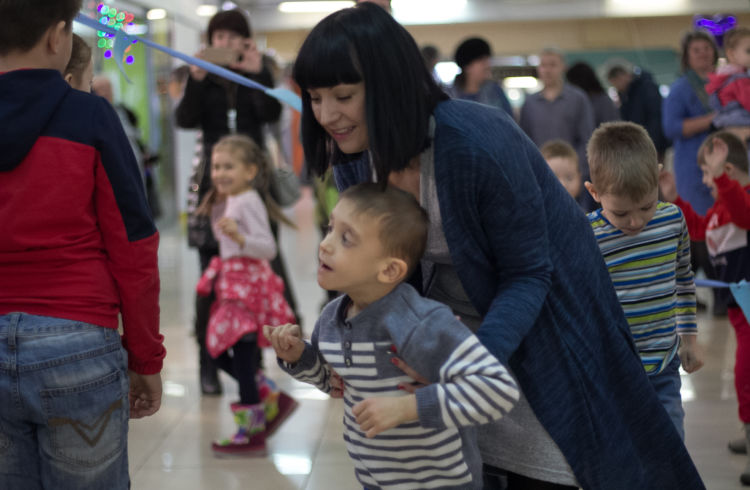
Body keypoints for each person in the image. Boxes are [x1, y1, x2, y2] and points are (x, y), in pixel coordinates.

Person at [291, 4, 705, 489]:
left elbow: (530, 274)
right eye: (316, 98)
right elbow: (385, 269)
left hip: (542, 325)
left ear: (390, 84)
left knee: (575, 462)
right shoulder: (357, 153)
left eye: (342, 95)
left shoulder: (474, 141)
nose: (327, 115)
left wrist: (468, 369)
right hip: (456, 344)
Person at [0, 1, 165, 488]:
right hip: (77, 345)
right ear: (57, 37)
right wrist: (145, 357)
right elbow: (133, 246)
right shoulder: (92, 117)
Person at [266, 183, 520, 489]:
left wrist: (408, 408)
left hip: (443, 483)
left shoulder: (419, 322)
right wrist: (298, 356)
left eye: (346, 238)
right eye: (330, 228)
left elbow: (498, 389)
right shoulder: (331, 320)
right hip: (378, 479)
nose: (325, 244)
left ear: (389, 270)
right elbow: (334, 383)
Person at [175, 8, 289, 396]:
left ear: (245, 41)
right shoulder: (201, 75)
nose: (224, 44)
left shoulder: (257, 71)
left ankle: (250, 363)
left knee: (258, 272)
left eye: (231, 37)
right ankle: (209, 364)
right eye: (217, 37)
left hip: (254, 187)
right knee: (212, 277)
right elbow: (185, 120)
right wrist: (196, 78)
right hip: (213, 186)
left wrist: (257, 75)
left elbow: (271, 114)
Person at [584, 121, 703, 441]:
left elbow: (683, 280)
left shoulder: (671, 221)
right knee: (621, 455)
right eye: (621, 214)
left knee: (670, 449)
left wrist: (688, 339)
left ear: (658, 176)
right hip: (611, 370)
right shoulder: (587, 235)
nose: (635, 222)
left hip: (663, 364)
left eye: (647, 206)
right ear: (594, 193)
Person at [194, 134, 296, 455]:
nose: (220, 173)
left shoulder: (249, 200)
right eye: (216, 166)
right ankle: (271, 398)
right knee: (218, 351)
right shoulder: (229, 198)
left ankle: (251, 433)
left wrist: (240, 238)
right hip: (231, 289)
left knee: (240, 357)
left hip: (249, 294)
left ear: (250, 171)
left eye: (229, 167)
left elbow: (268, 248)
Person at [660, 130, 750, 484]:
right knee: (745, 376)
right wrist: (674, 199)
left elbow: (742, 214)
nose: (704, 180)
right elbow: (698, 229)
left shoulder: (740, 200)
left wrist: (722, 177)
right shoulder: (718, 209)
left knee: (745, 376)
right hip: (738, 309)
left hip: (746, 308)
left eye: (706, 173)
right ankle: (747, 430)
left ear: (726, 170)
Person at [520, 48, 596, 211]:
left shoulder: (578, 99)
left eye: (552, 65)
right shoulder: (529, 103)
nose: (547, 70)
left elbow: (587, 138)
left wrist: (578, 172)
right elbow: (524, 143)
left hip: (573, 178)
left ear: (563, 67)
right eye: (543, 65)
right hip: (541, 176)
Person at [607, 63, 670, 161]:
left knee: (655, 173)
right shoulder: (625, 95)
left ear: (622, 76)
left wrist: (653, 144)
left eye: (615, 82)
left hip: (652, 144)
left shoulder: (646, 88)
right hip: (638, 145)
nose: (616, 87)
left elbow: (656, 117)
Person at [446, 37, 512, 115]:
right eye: (482, 61)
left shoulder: (495, 93)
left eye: (488, 59)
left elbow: (508, 122)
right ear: (467, 66)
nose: (488, 65)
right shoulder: (449, 97)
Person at [706, 27, 750, 129]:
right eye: (748, 51)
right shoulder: (740, 79)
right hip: (741, 121)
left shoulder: (724, 77)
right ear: (731, 54)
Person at [565, 61, 620, 128]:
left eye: (572, 84)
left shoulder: (603, 102)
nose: (571, 88)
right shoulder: (575, 101)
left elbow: (612, 129)